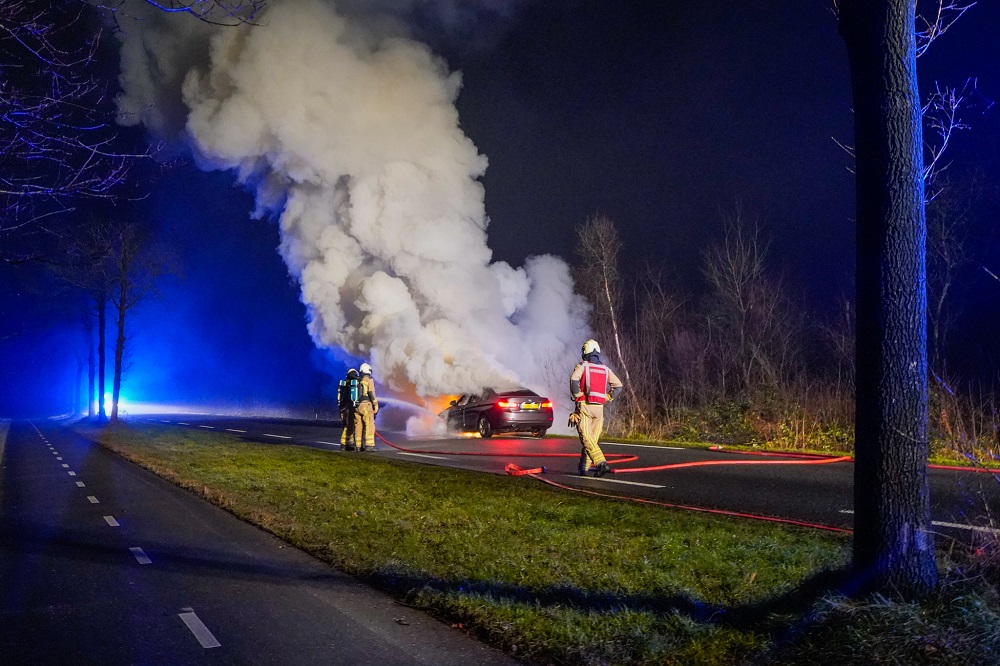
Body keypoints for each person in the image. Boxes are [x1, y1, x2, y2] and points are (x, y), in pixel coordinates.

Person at [569, 339, 622, 477]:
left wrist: (577, 396)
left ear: (585, 351)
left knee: (587, 438)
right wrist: (608, 397)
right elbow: (618, 386)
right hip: (599, 409)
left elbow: (574, 380)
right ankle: (584, 468)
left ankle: (601, 463)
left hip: (585, 407)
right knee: (591, 439)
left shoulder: (582, 366)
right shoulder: (605, 369)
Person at [354, 362, 379, 451]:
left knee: (358, 425)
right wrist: (375, 404)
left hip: (356, 407)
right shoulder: (368, 379)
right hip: (366, 405)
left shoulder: (357, 380)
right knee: (369, 424)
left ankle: (358, 446)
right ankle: (369, 445)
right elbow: (371, 392)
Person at [338, 368, 361, 450]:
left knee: (346, 426)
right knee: (349, 426)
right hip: (349, 408)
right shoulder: (353, 384)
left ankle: (347, 444)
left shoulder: (344, 384)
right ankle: (344, 445)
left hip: (343, 408)